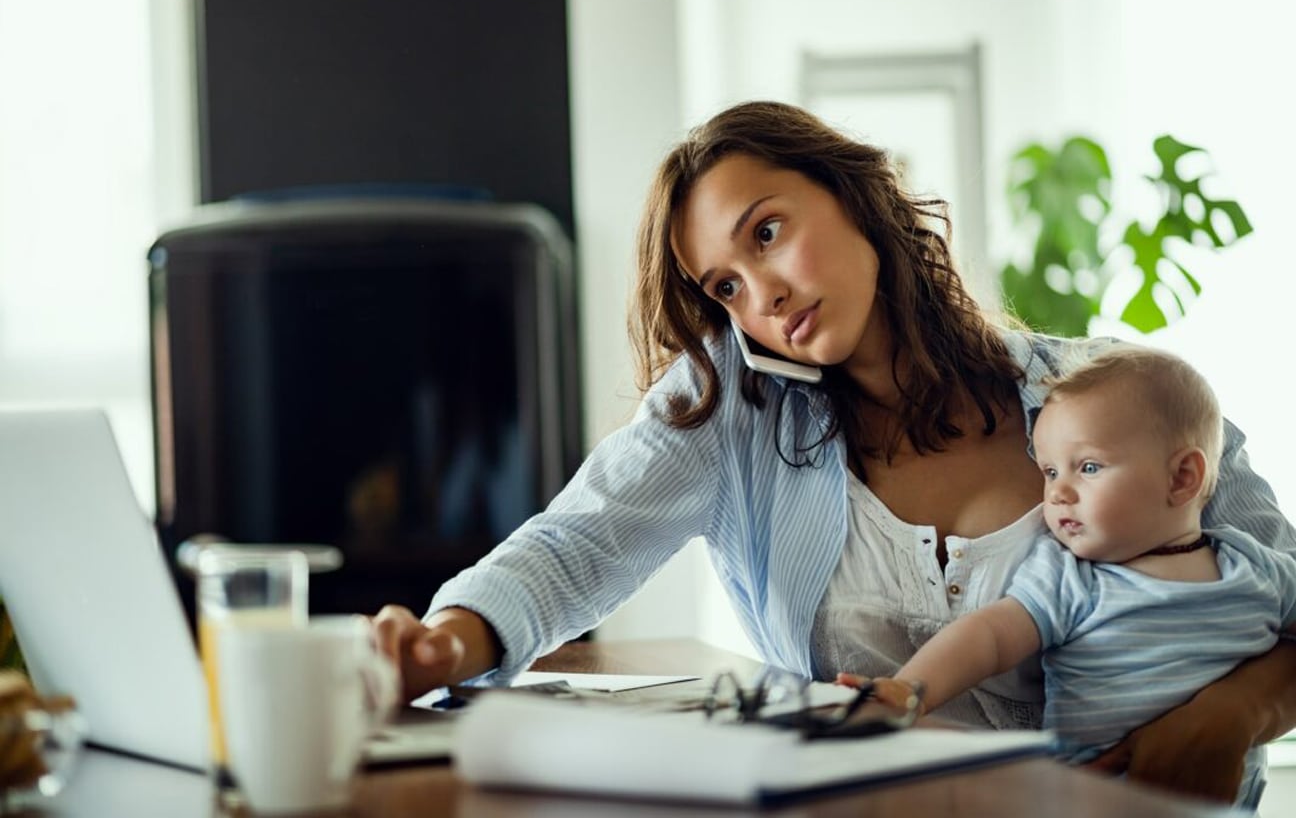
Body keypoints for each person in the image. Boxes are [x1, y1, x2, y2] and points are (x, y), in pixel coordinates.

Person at [373, 100, 1296, 803]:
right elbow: (576, 545)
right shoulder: (729, 409)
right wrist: (444, 644)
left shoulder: (1125, 396)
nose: (759, 297)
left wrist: (1229, 716)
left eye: (767, 232)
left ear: (856, 196)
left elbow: (1283, 590)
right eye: (724, 287)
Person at [846, 345, 1296, 809]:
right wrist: (909, 690)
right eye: (1049, 470)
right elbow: (990, 637)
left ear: (1182, 477)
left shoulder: (1255, 567)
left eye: (1088, 467)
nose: (1057, 493)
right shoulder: (1071, 577)